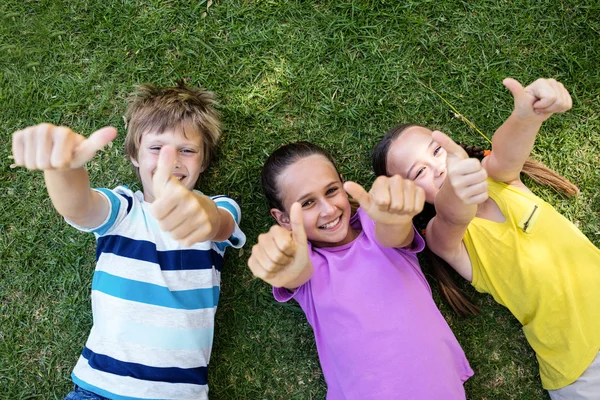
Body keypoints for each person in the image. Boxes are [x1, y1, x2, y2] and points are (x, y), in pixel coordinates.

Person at [11, 82, 246, 400]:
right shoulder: (124, 209)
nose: (170, 161)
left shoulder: (216, 207)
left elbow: (220, 224)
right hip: (100, 389)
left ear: (203, 162)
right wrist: (63, 169)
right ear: (134, 155)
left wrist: (201, 214)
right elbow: (79, 207)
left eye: (187, 150)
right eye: (156, 148)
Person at [373, 77, 600, 398]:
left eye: (437, 151)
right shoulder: (445, 238)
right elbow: (454, 213)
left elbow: (508, 152)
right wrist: (456, 187)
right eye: (419, 172)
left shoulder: (500, 180)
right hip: (581, 366)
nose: (437, 168)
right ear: (413, 197)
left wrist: (526, 116)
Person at [248, 141, 473, 399]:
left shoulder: (374, 224)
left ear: (344, 185)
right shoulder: (306, 262)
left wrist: (395, 218)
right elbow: (294, 273)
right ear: (283, 218)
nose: (328, 209)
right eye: (308, 203)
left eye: (332, 191)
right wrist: (283, 266)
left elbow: (393, 234)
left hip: (437, 386)